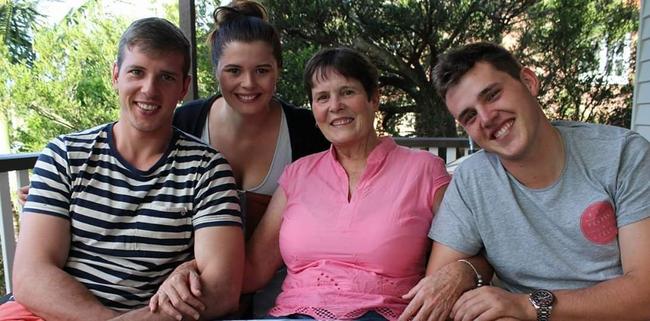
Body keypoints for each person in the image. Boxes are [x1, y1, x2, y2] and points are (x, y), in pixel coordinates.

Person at [155, 47, 473, 321]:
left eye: (347, 92)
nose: (335, 105)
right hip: (291, 315)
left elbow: (473, 246)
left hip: (382, 313)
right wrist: (190, 269)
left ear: (373, 98)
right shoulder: (298, 175)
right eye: (322, 97)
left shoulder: (424, 171)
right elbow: (250, 269)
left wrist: (462, 272)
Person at [0, 17, 244, 321]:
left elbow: (222, 288)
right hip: (54, 313)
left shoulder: (207, 169)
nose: (149, 89)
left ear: (184, 87)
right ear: (116, 75)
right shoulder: (64, 155)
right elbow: (30, 274)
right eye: (136, 72)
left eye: (166, 77)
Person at [407, 41, 650, 321]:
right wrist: (466, 271)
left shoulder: (622, 155)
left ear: (528, 81)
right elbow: (439, 288)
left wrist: (527, 305)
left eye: (493, 95)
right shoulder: (473, 180)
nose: (486, 118)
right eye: (469, 116)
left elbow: (644, 295)